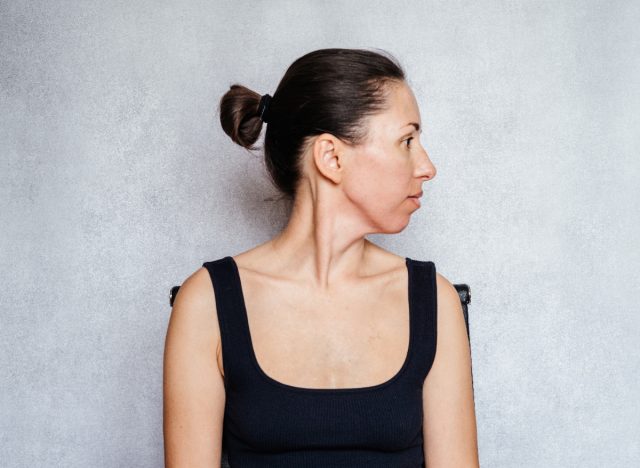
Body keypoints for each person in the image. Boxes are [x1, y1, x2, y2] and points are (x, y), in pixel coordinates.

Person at [163, 47, 479, 467]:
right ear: (331, 158)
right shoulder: (205, 303)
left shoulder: (434, 301)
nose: (427, 166)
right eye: (407, 140)